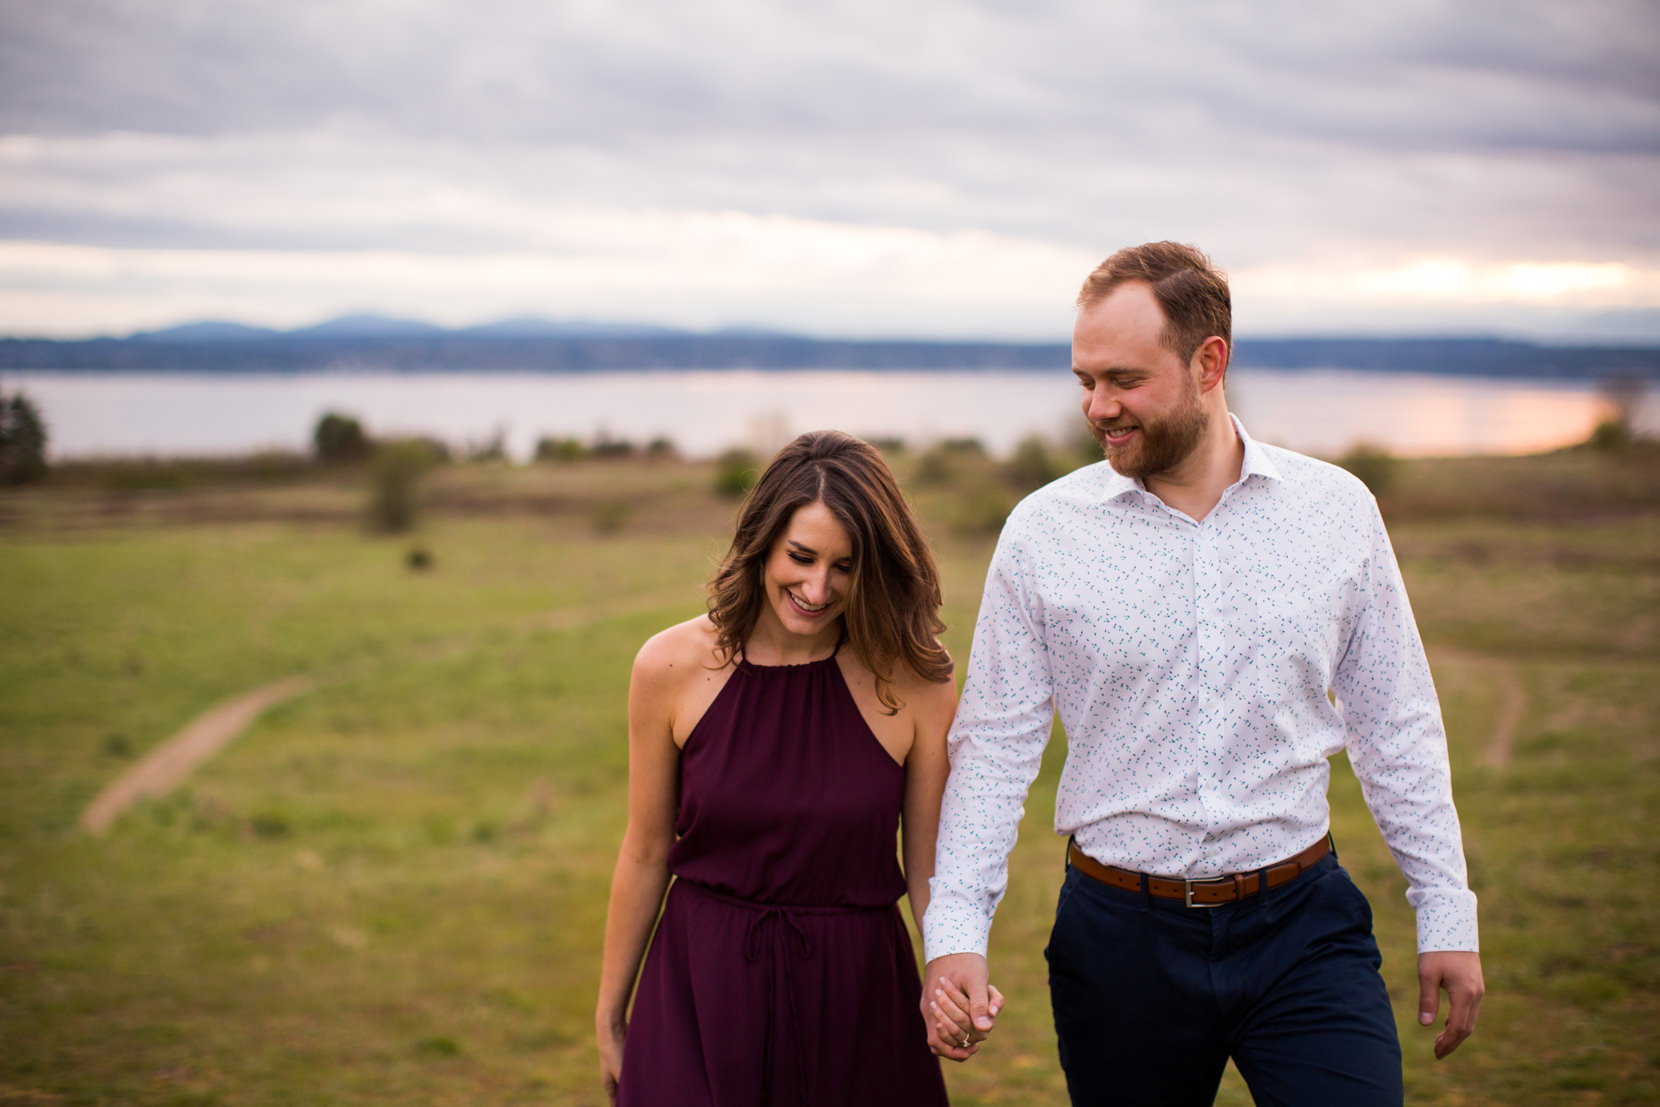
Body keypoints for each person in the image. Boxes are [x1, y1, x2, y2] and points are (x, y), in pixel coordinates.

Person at [919, 242, 1485, 1105]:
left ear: (1209, 361)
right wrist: (956, 932)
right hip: (1119, 943)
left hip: (1303, 927)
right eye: (1084, 380)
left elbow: (1394, 719)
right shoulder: (1042, 532)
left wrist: (1446, 910)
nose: (1097, 407)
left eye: (1123, 380)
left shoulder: (1337, 511)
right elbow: (995, 746)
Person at [596, 429, 959, 1106]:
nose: (817, 587)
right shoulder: (668, 667)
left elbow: (928, 866)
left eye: (845, 566)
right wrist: (611, 1011)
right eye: (801, 556)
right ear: (762, 541)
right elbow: (645, 850)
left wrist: (950, 971)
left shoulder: (915, 685)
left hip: (856, 996)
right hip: (698, 986)